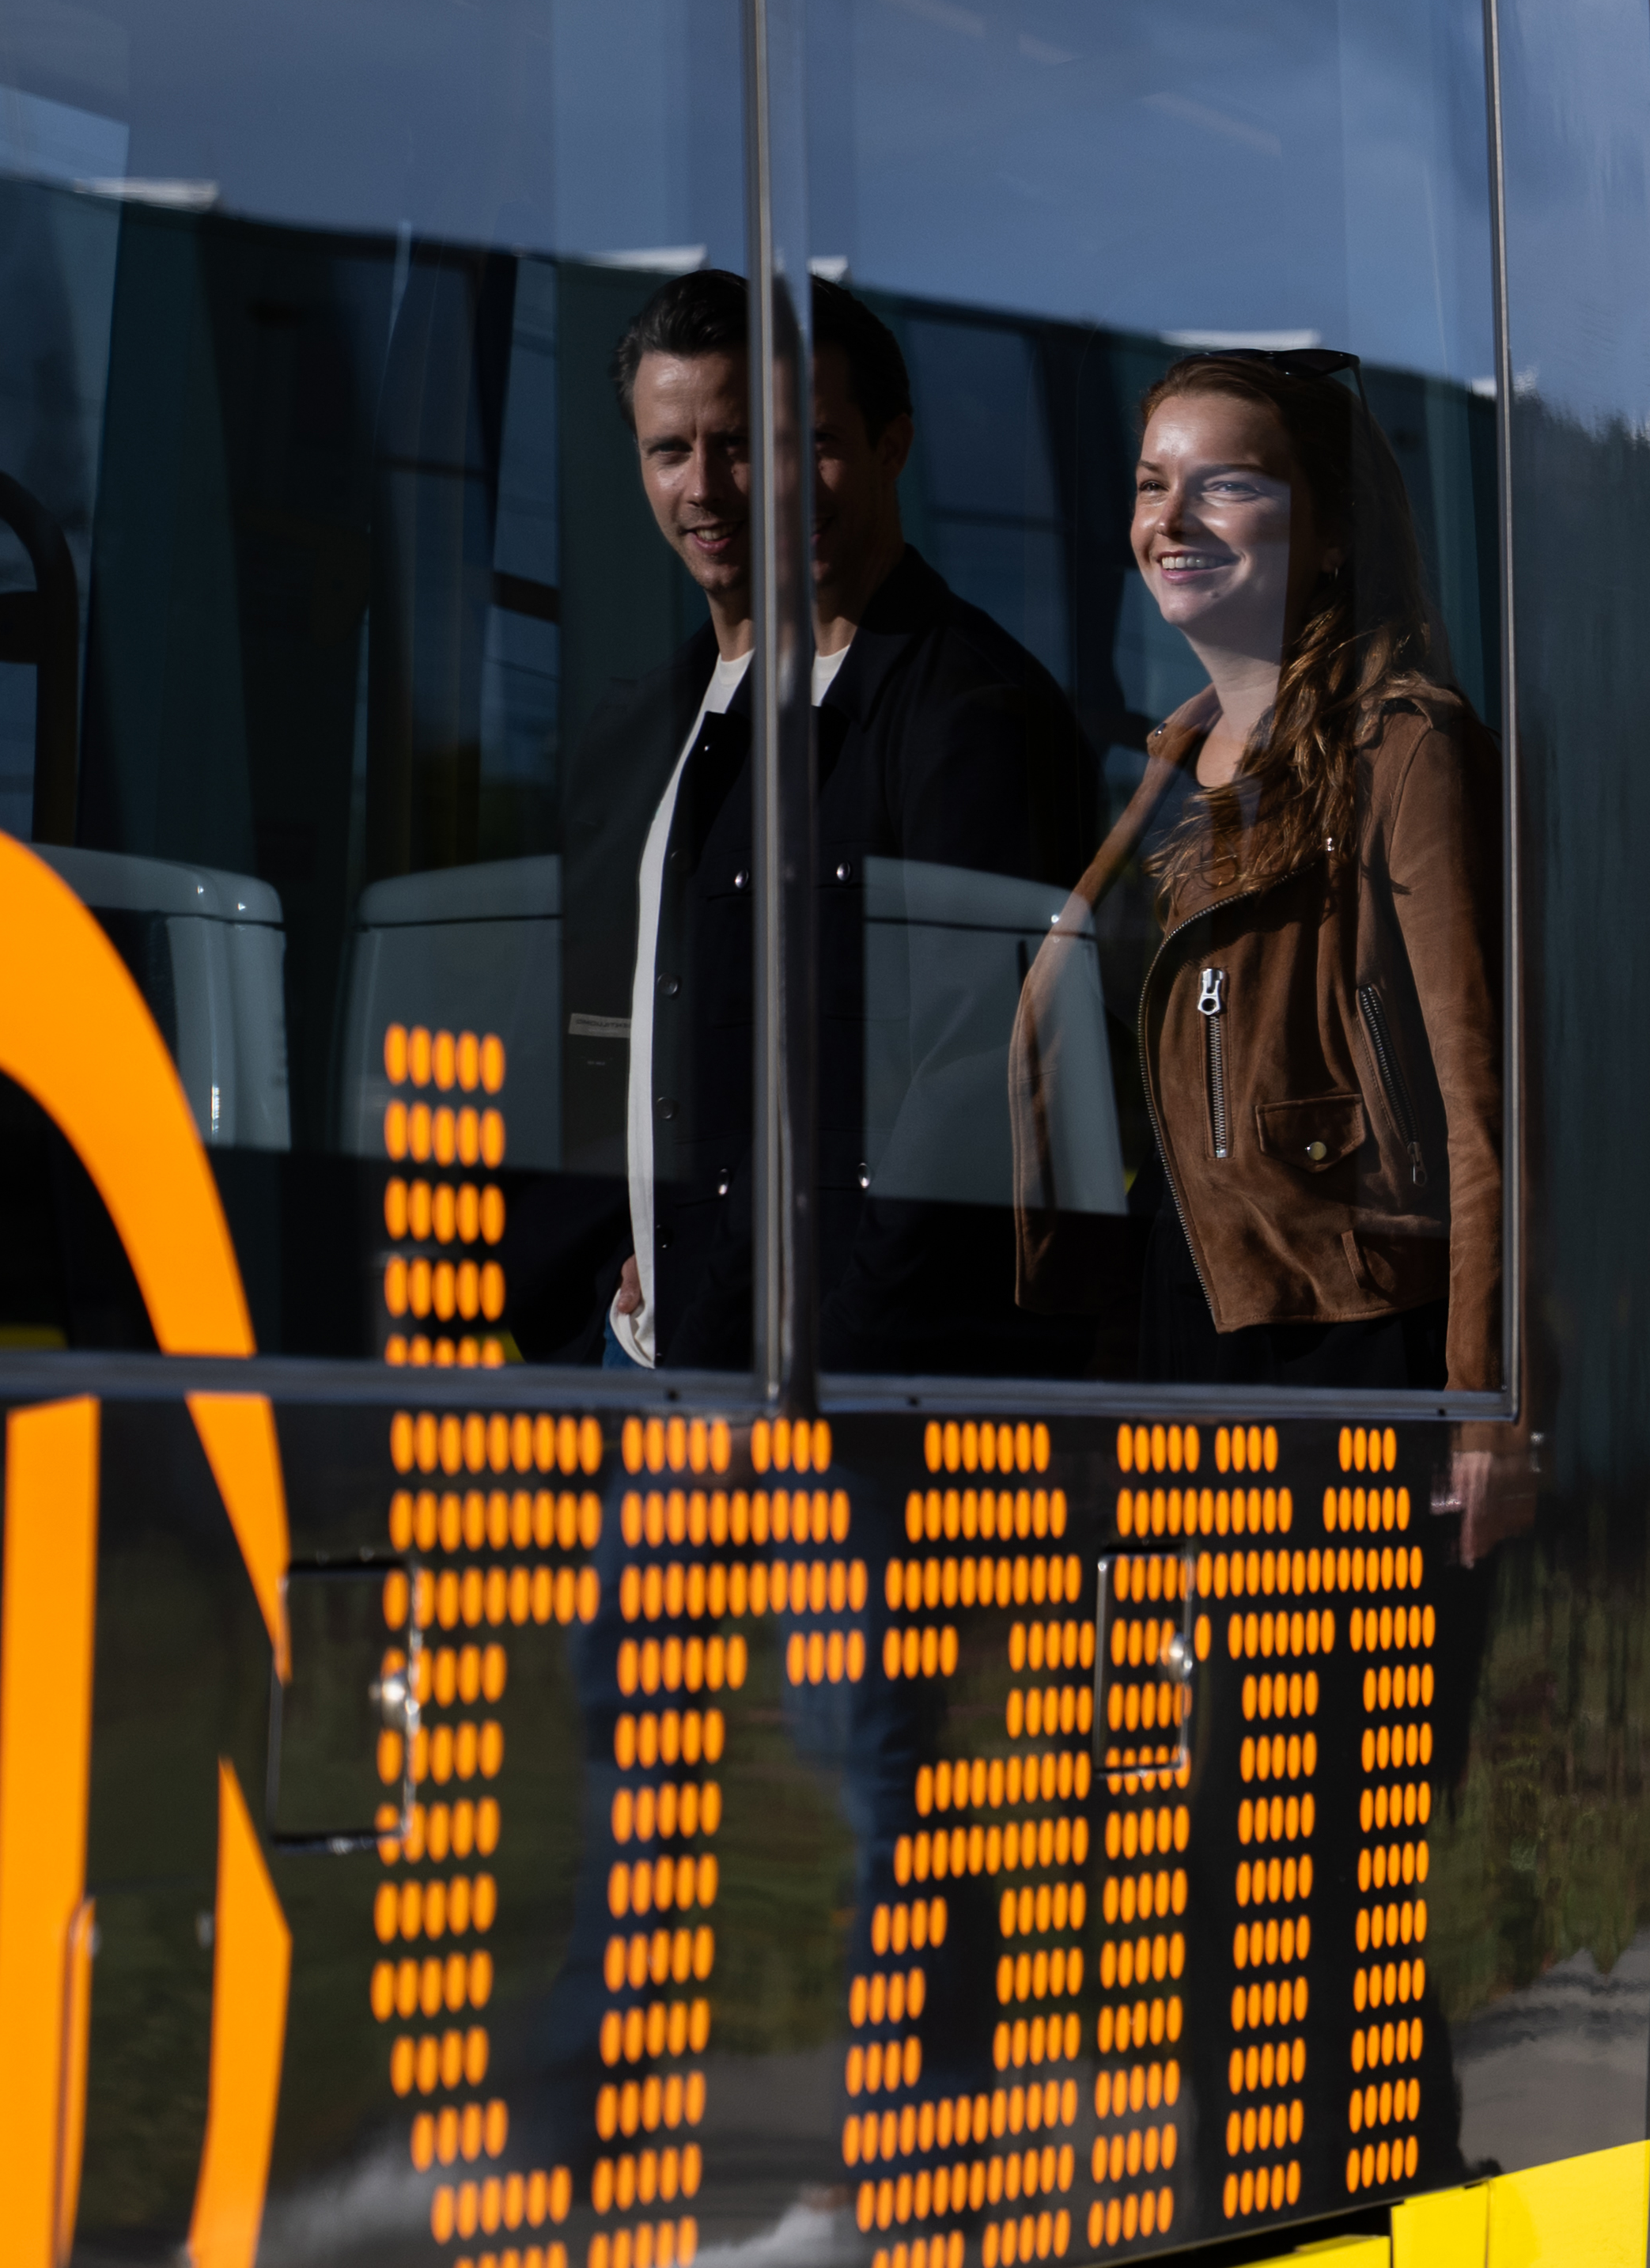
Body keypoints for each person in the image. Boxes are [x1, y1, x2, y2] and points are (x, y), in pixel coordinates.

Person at [1049, 349, 1521, 1557]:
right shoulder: (1168, 766)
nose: (1173, 519)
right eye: (1154, 485)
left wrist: (1485, 1406)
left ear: (1327, 535)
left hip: (1343, 1350)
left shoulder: (1406, 748)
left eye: (1228, 484)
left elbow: (1486, 1117)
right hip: (1184, 1324)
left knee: (1317, 1742)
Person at [603, 269, 1098, 1378]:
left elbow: (964, 1076)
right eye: (669, 450)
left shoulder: (967, 706)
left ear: (894, 445)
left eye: (792, 442)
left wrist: (834, 1351)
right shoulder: (681, 708)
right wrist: (636, 1250)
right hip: (667, 1339)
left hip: (836, 1374)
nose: (734, 483)